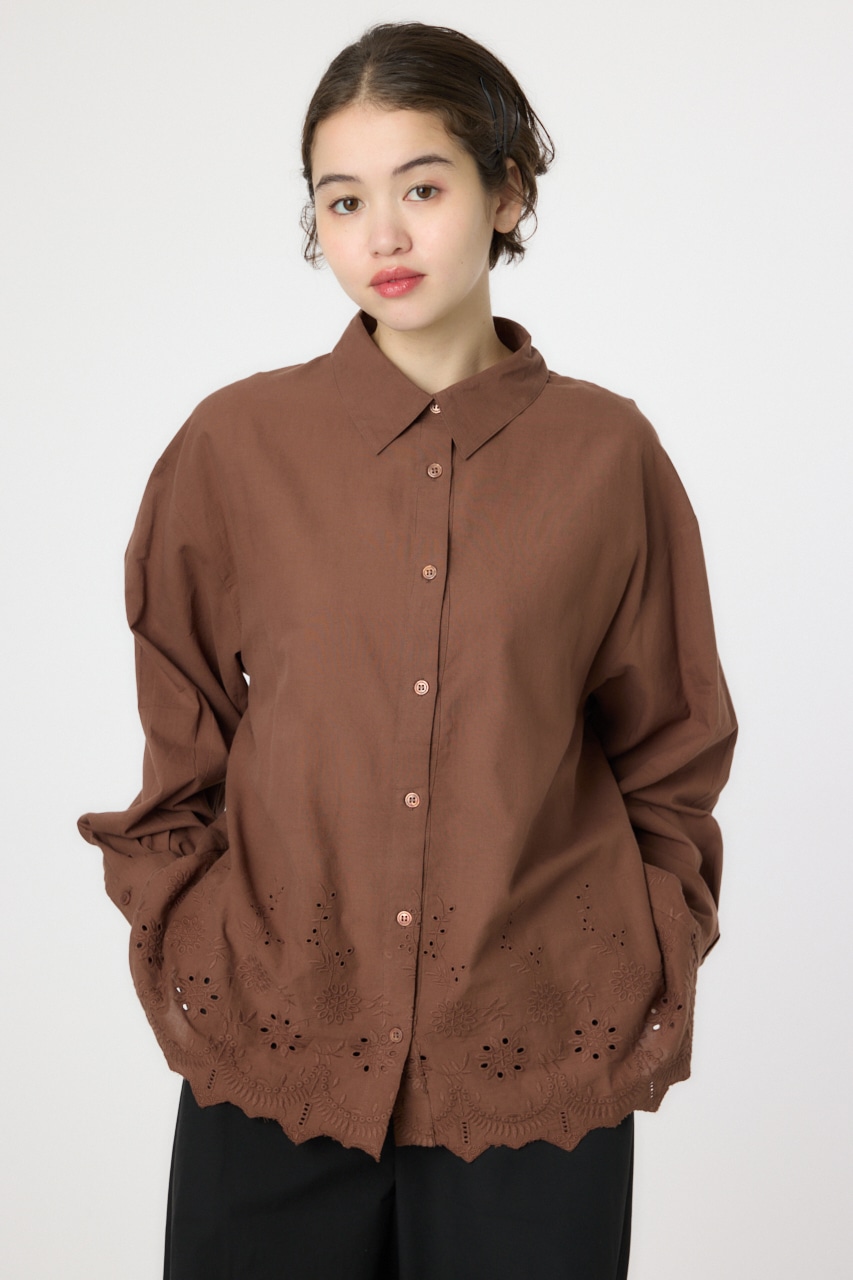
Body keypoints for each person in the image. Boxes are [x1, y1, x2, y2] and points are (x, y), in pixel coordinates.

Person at [78, 20, 737, 1280]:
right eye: (343, 201)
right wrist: (192, 925)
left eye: (421, 189)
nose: (381, 235)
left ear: (507, 193)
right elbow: (183, 727)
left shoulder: (609, 455)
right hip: (273, 1051)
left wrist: (651, 934)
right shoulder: (234, 446)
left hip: (536, 1062)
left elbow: (672, 743)